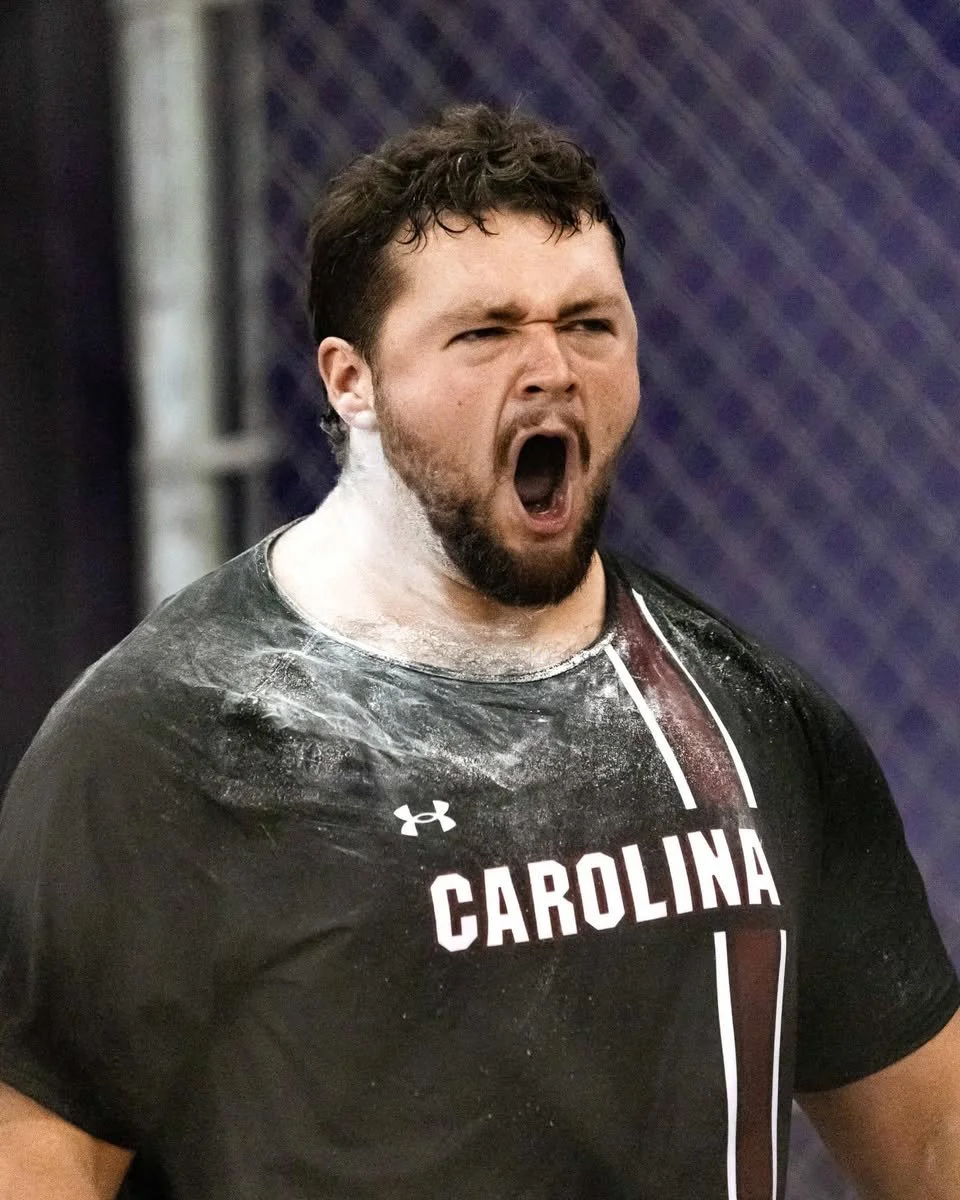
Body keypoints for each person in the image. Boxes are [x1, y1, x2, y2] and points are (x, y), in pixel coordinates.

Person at [0, 103, 957, 1200]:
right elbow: (35, 1146)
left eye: (590, 324)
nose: (550, 368)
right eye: (485, 332)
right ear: (349, 380)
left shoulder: (751, 721)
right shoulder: (166, 742)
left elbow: (932, 1137)